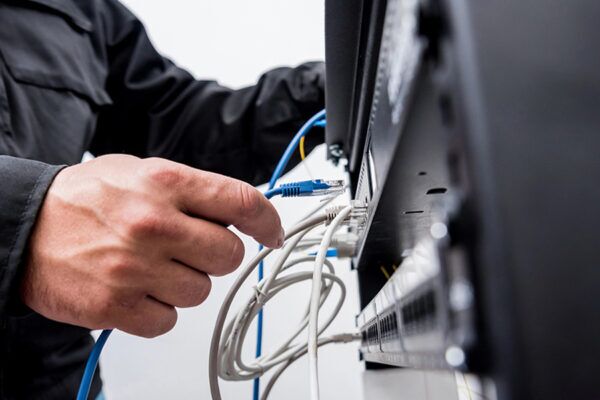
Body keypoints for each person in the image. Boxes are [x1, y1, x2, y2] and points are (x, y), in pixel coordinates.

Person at [0, 0, 325, 398]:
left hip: (62, 385)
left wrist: (325, 88)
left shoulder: (82, 9)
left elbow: (172, 126)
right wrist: (21, 218)